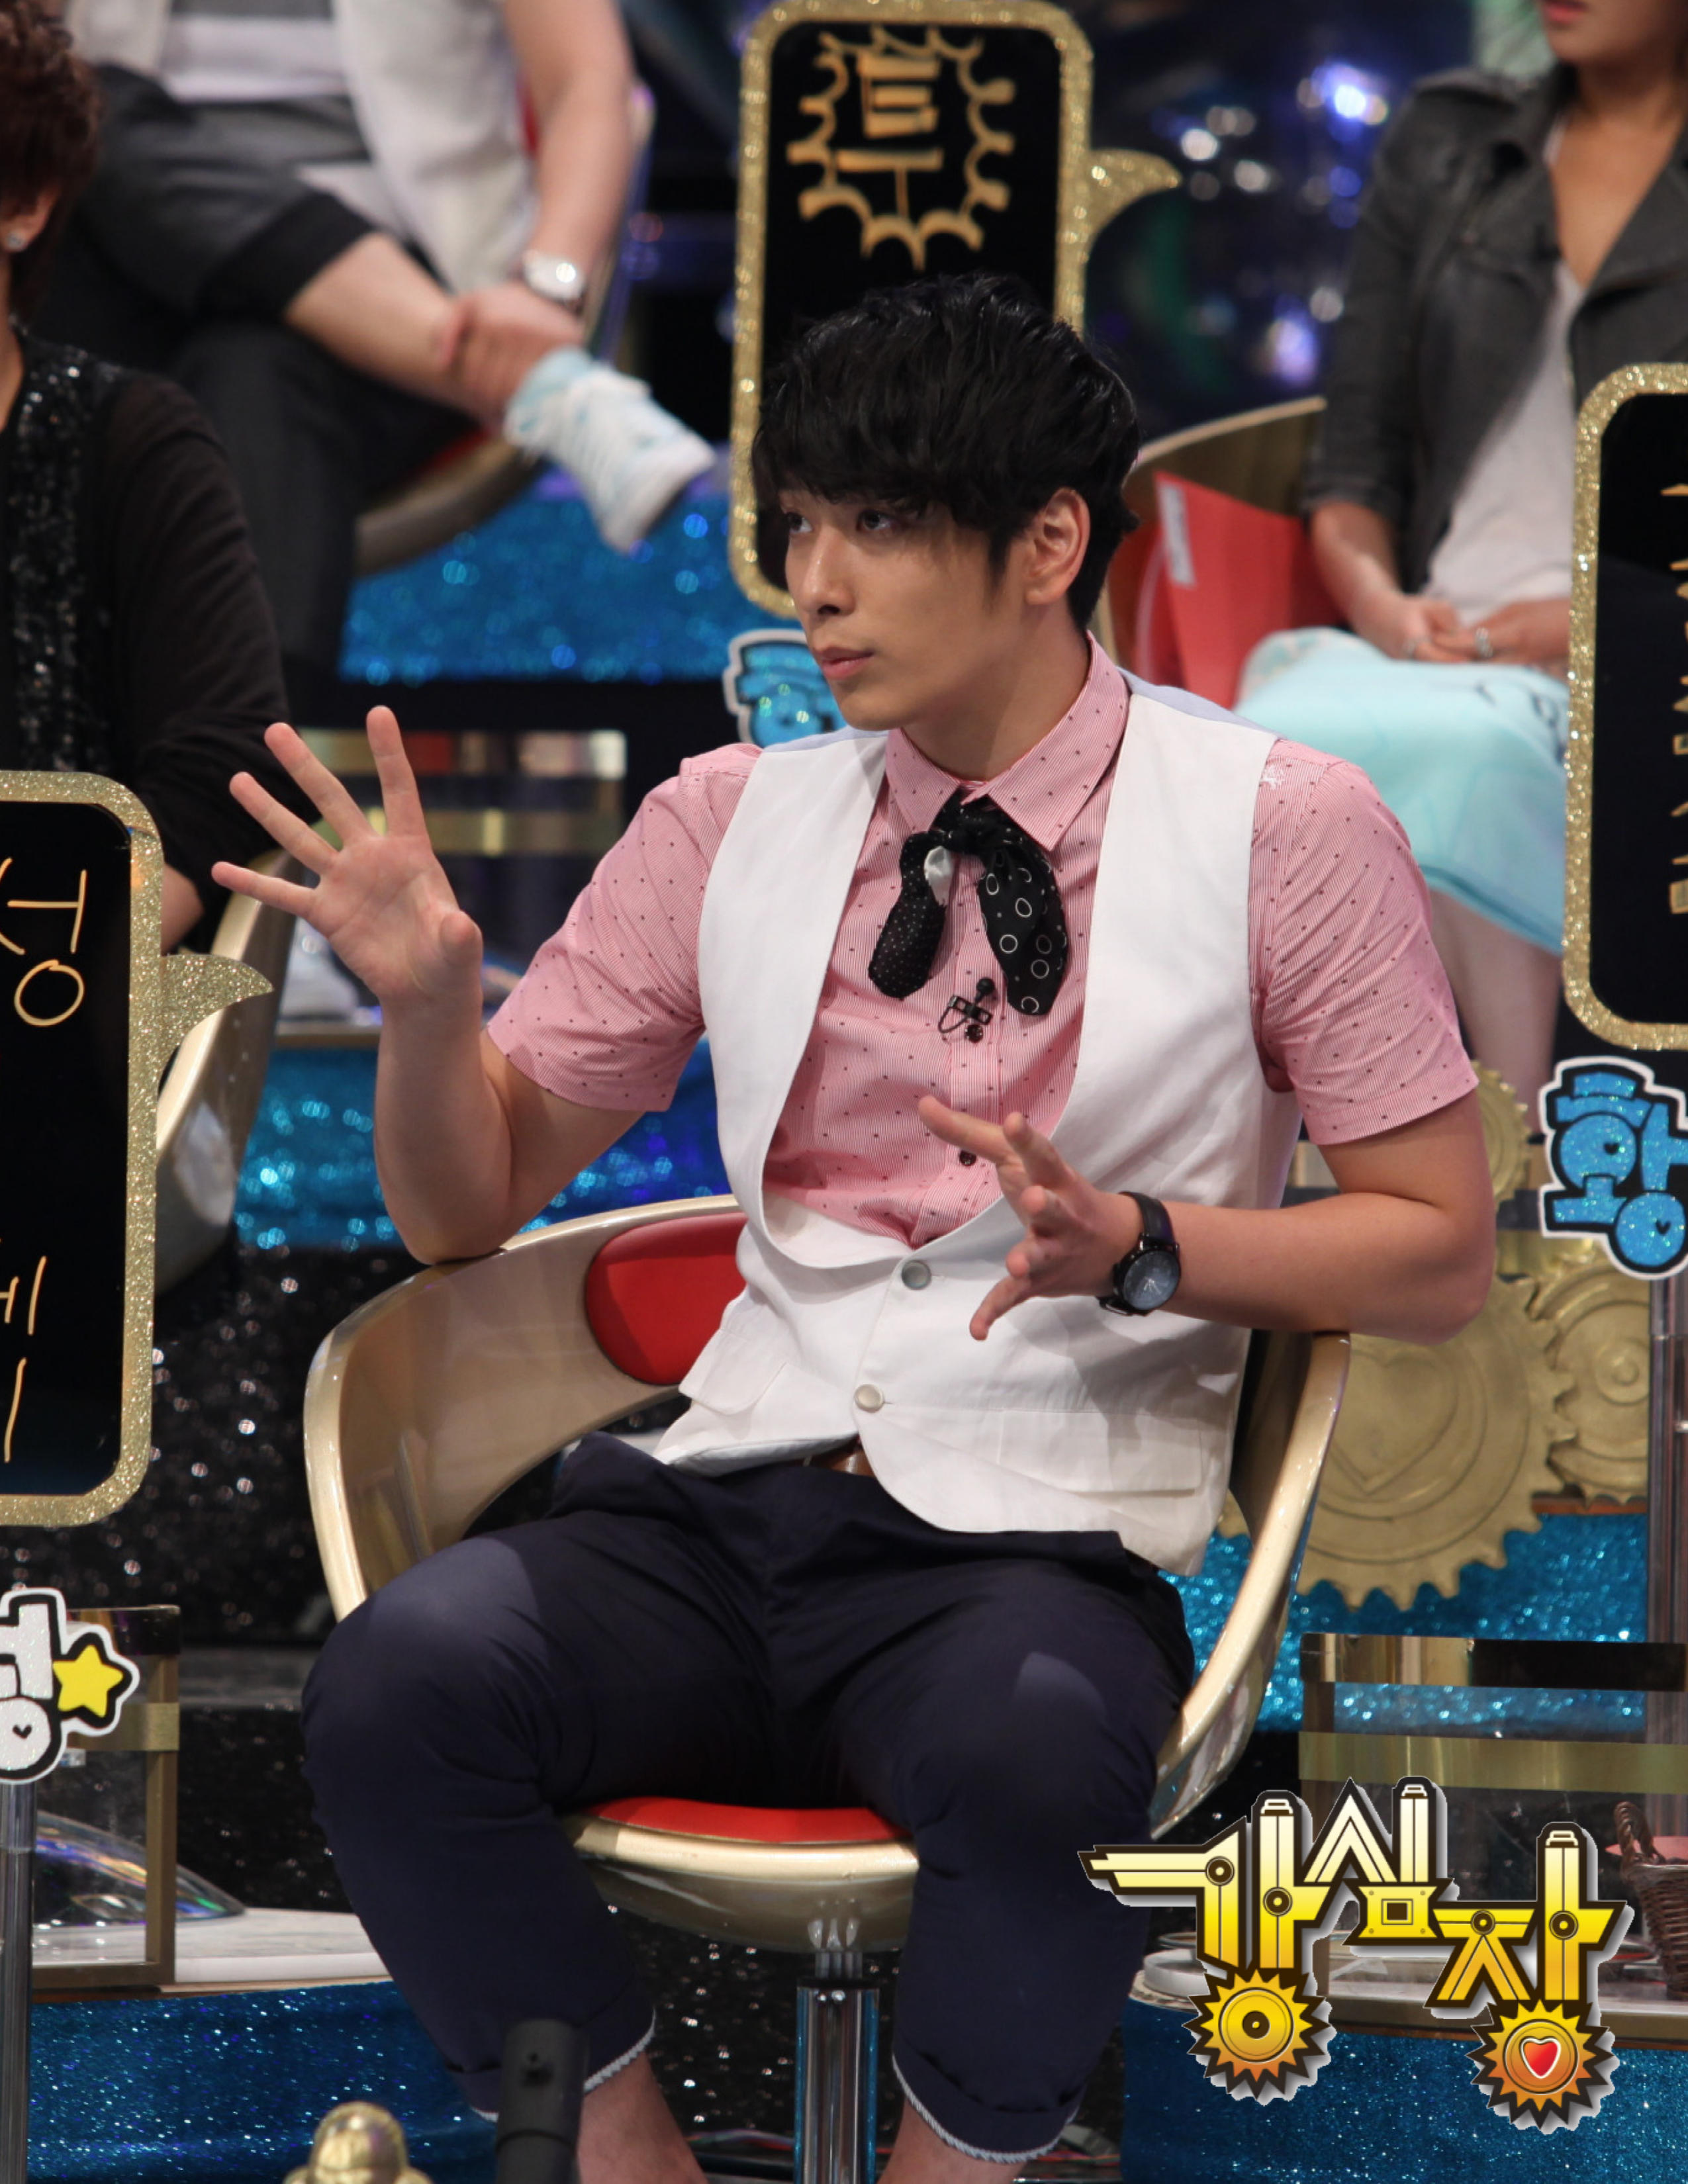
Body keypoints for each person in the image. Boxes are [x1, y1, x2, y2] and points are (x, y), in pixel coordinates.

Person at [216, 277, 1494, 2177]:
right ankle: (627, 2151)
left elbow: (1438, 1246)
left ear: (1046, 542)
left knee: (1034, 1753)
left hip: (1031, 1545)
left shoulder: (1285, 827)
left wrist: (1144, 1240)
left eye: (878, 524)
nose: (816, 582)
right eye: (799, 524)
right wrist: (424, 1012)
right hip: (712, 1505)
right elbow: (458, 1201)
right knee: (399, 1685)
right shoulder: (725, 815)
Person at [1239, 0, 1688, 1115]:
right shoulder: (1450, 141)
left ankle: (1521, 1135)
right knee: (1269, 755)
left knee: (1464, 757)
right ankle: (1394, 1139)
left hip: (1646, 641)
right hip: (1430, 635)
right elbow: (1353, 463)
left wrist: (1581, 628)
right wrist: (1384, 611)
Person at [50, 0, 714, 715]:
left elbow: (588, 83)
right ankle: (537, 383)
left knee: (259, 368)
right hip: (118, 279)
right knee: (88, 102)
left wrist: (547, 290)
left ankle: (233, 765)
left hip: (405, 299)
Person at [0, 1, 306, 948]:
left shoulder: (129, 443)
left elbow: (222, 777)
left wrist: (51, 972)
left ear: (26, 203)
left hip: (58, 987)